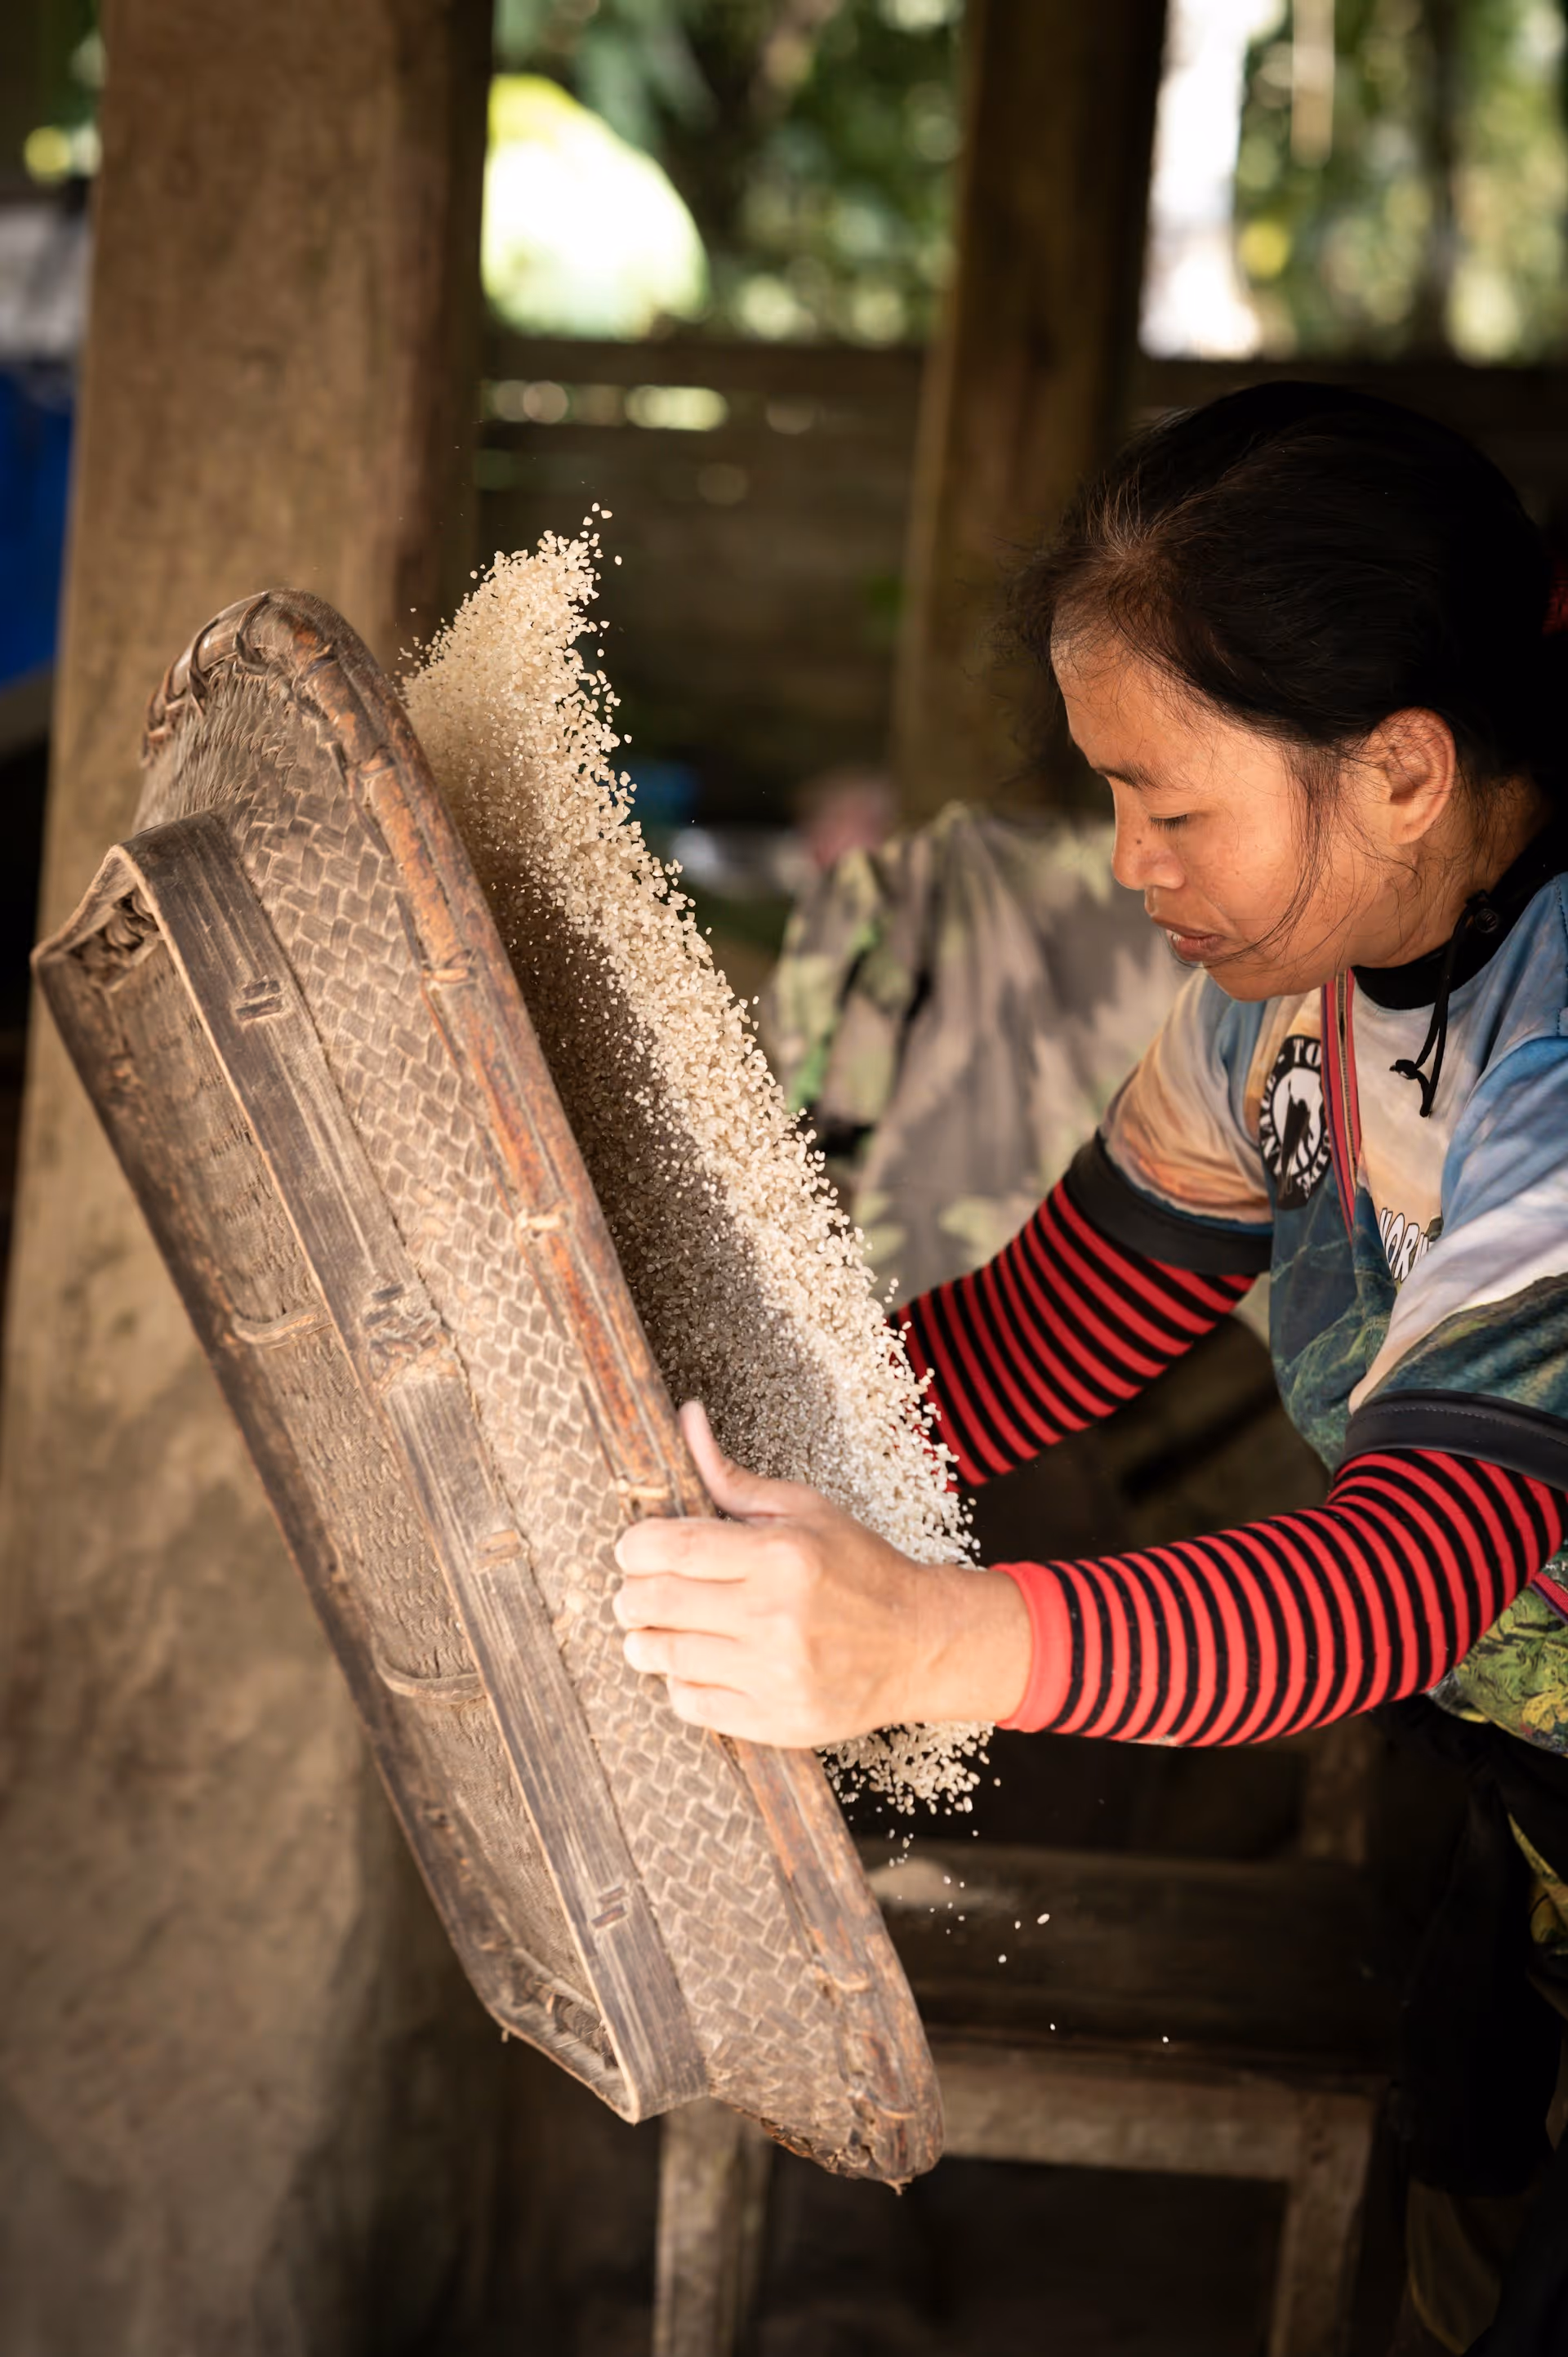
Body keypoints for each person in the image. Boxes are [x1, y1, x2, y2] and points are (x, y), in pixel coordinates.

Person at [613, 384, 1568, 2355]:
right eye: (1112, 797)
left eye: (1171, 803)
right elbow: (1047, 1330)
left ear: (1399, 767)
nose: (1129, 862)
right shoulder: (1275, 1007)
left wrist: (926, 1645)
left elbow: (1415, 1570)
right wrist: (689, 1447)